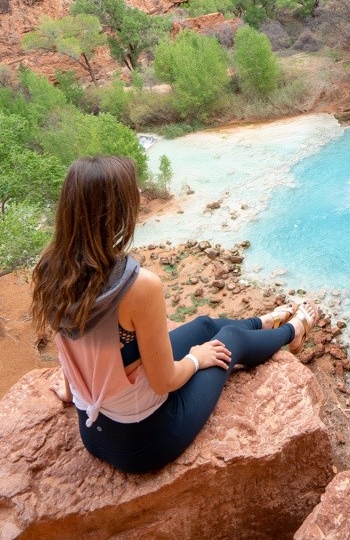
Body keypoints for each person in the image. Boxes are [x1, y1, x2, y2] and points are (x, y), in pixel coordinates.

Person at [31, 155, 317, 474]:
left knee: (204, 324)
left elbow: (69, 348)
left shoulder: (49, 269)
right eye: (133, 190)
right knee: (228, 341)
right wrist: (196, 358)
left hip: (92, 431)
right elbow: (165, 381)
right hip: (145, 440)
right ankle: (295, 329)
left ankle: (263, 322)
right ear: (117, 211)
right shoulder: (138, 287)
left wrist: (71, 393)